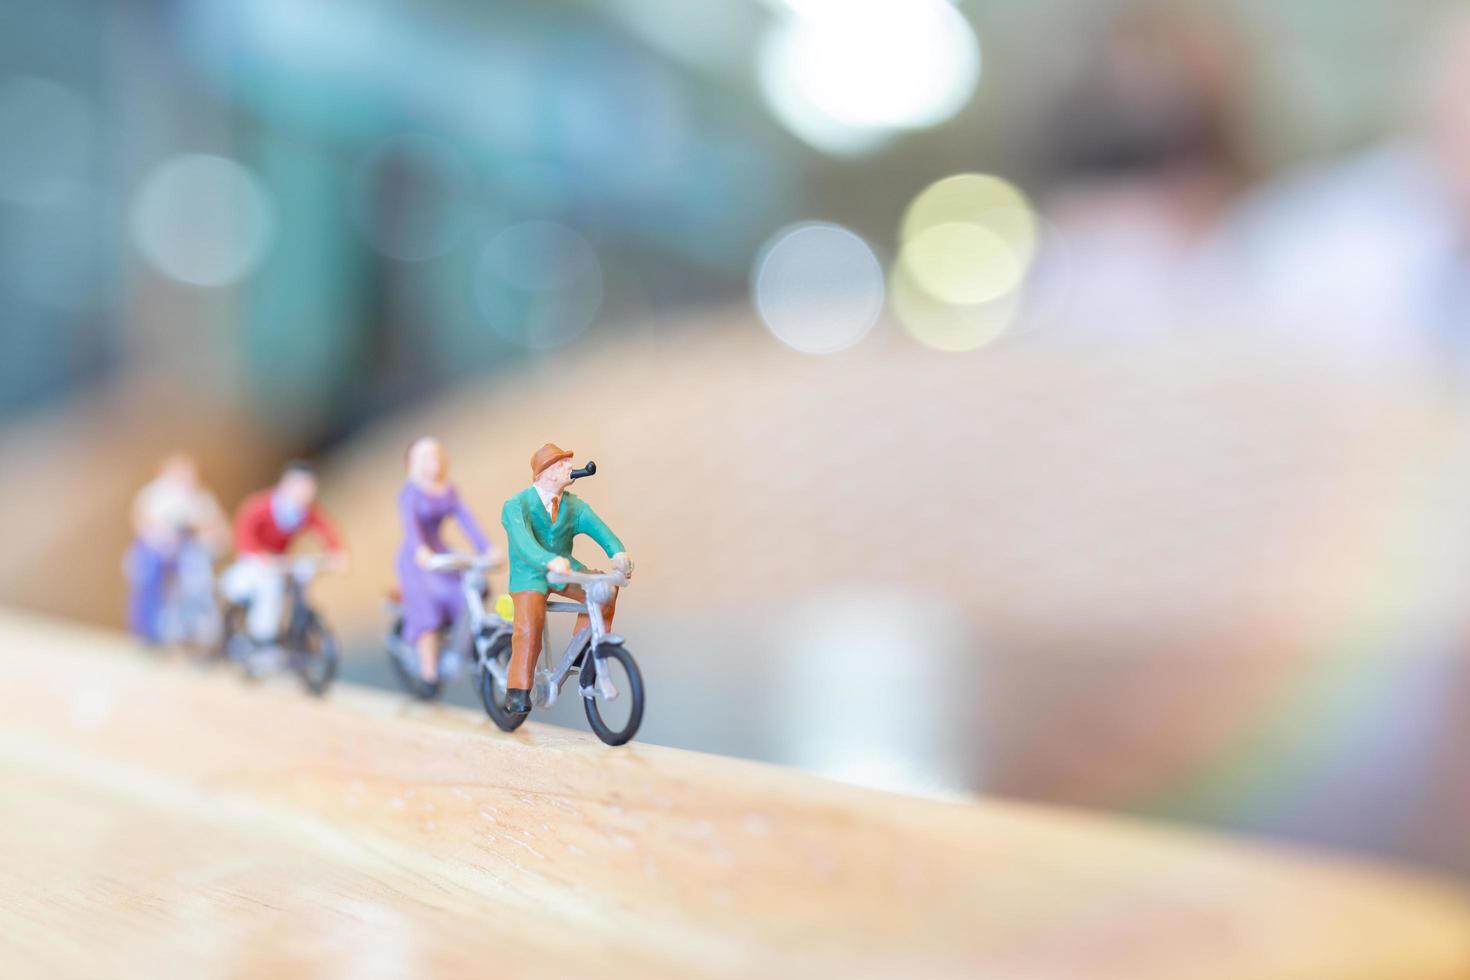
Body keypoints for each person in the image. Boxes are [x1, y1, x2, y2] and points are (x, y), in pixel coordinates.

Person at [501, 443, 632, 715]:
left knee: (603, 588)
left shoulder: (573, 506)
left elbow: (600, 530)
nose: (569, 468)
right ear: (545, 472)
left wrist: (618, 553)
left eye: (567, 463)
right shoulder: (516, 505)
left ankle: (586, 648)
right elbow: (523, 543)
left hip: (564, 569)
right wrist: (548, 560)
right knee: (529, 627)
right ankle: (517, 689)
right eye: (562, 464)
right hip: (530, 574)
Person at [394, 437, 498, 684]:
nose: (435, 463)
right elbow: (411, 527)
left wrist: (487, 548)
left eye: (438, 457)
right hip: (416, 557)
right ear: (417, 463)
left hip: (440, 551)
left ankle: (458, 648)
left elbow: (467, 521)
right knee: (428, 604)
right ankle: (428, 670)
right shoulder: (409, 493)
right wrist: (421, 550)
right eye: (428, 458)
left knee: (469, 590)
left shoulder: (448, 491)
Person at [220, 461, 347, 647]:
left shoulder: (303, 512)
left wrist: (337, 553)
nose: (306, 492)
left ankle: (293, 631)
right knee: (269, 589)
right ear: (287, 484)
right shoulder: (260, 506)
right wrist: (259, 555)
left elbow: (325, 529)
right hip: (257, 562)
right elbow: (244, 533)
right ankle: (262, 638)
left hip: (281, 562)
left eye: (310, 487)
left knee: (299, 581)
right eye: (302, 486)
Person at [124, 453, 229, 644]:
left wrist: (203, 535)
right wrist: (162, 537)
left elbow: (216, 528)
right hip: (155, 554)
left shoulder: (201, 498)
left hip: (189, 556)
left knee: (194, 591)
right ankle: (147, 635)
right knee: (151, 594)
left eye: (189, 473)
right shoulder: (154, 494)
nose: (185, 477)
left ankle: (193, 636)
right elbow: (142, 522)